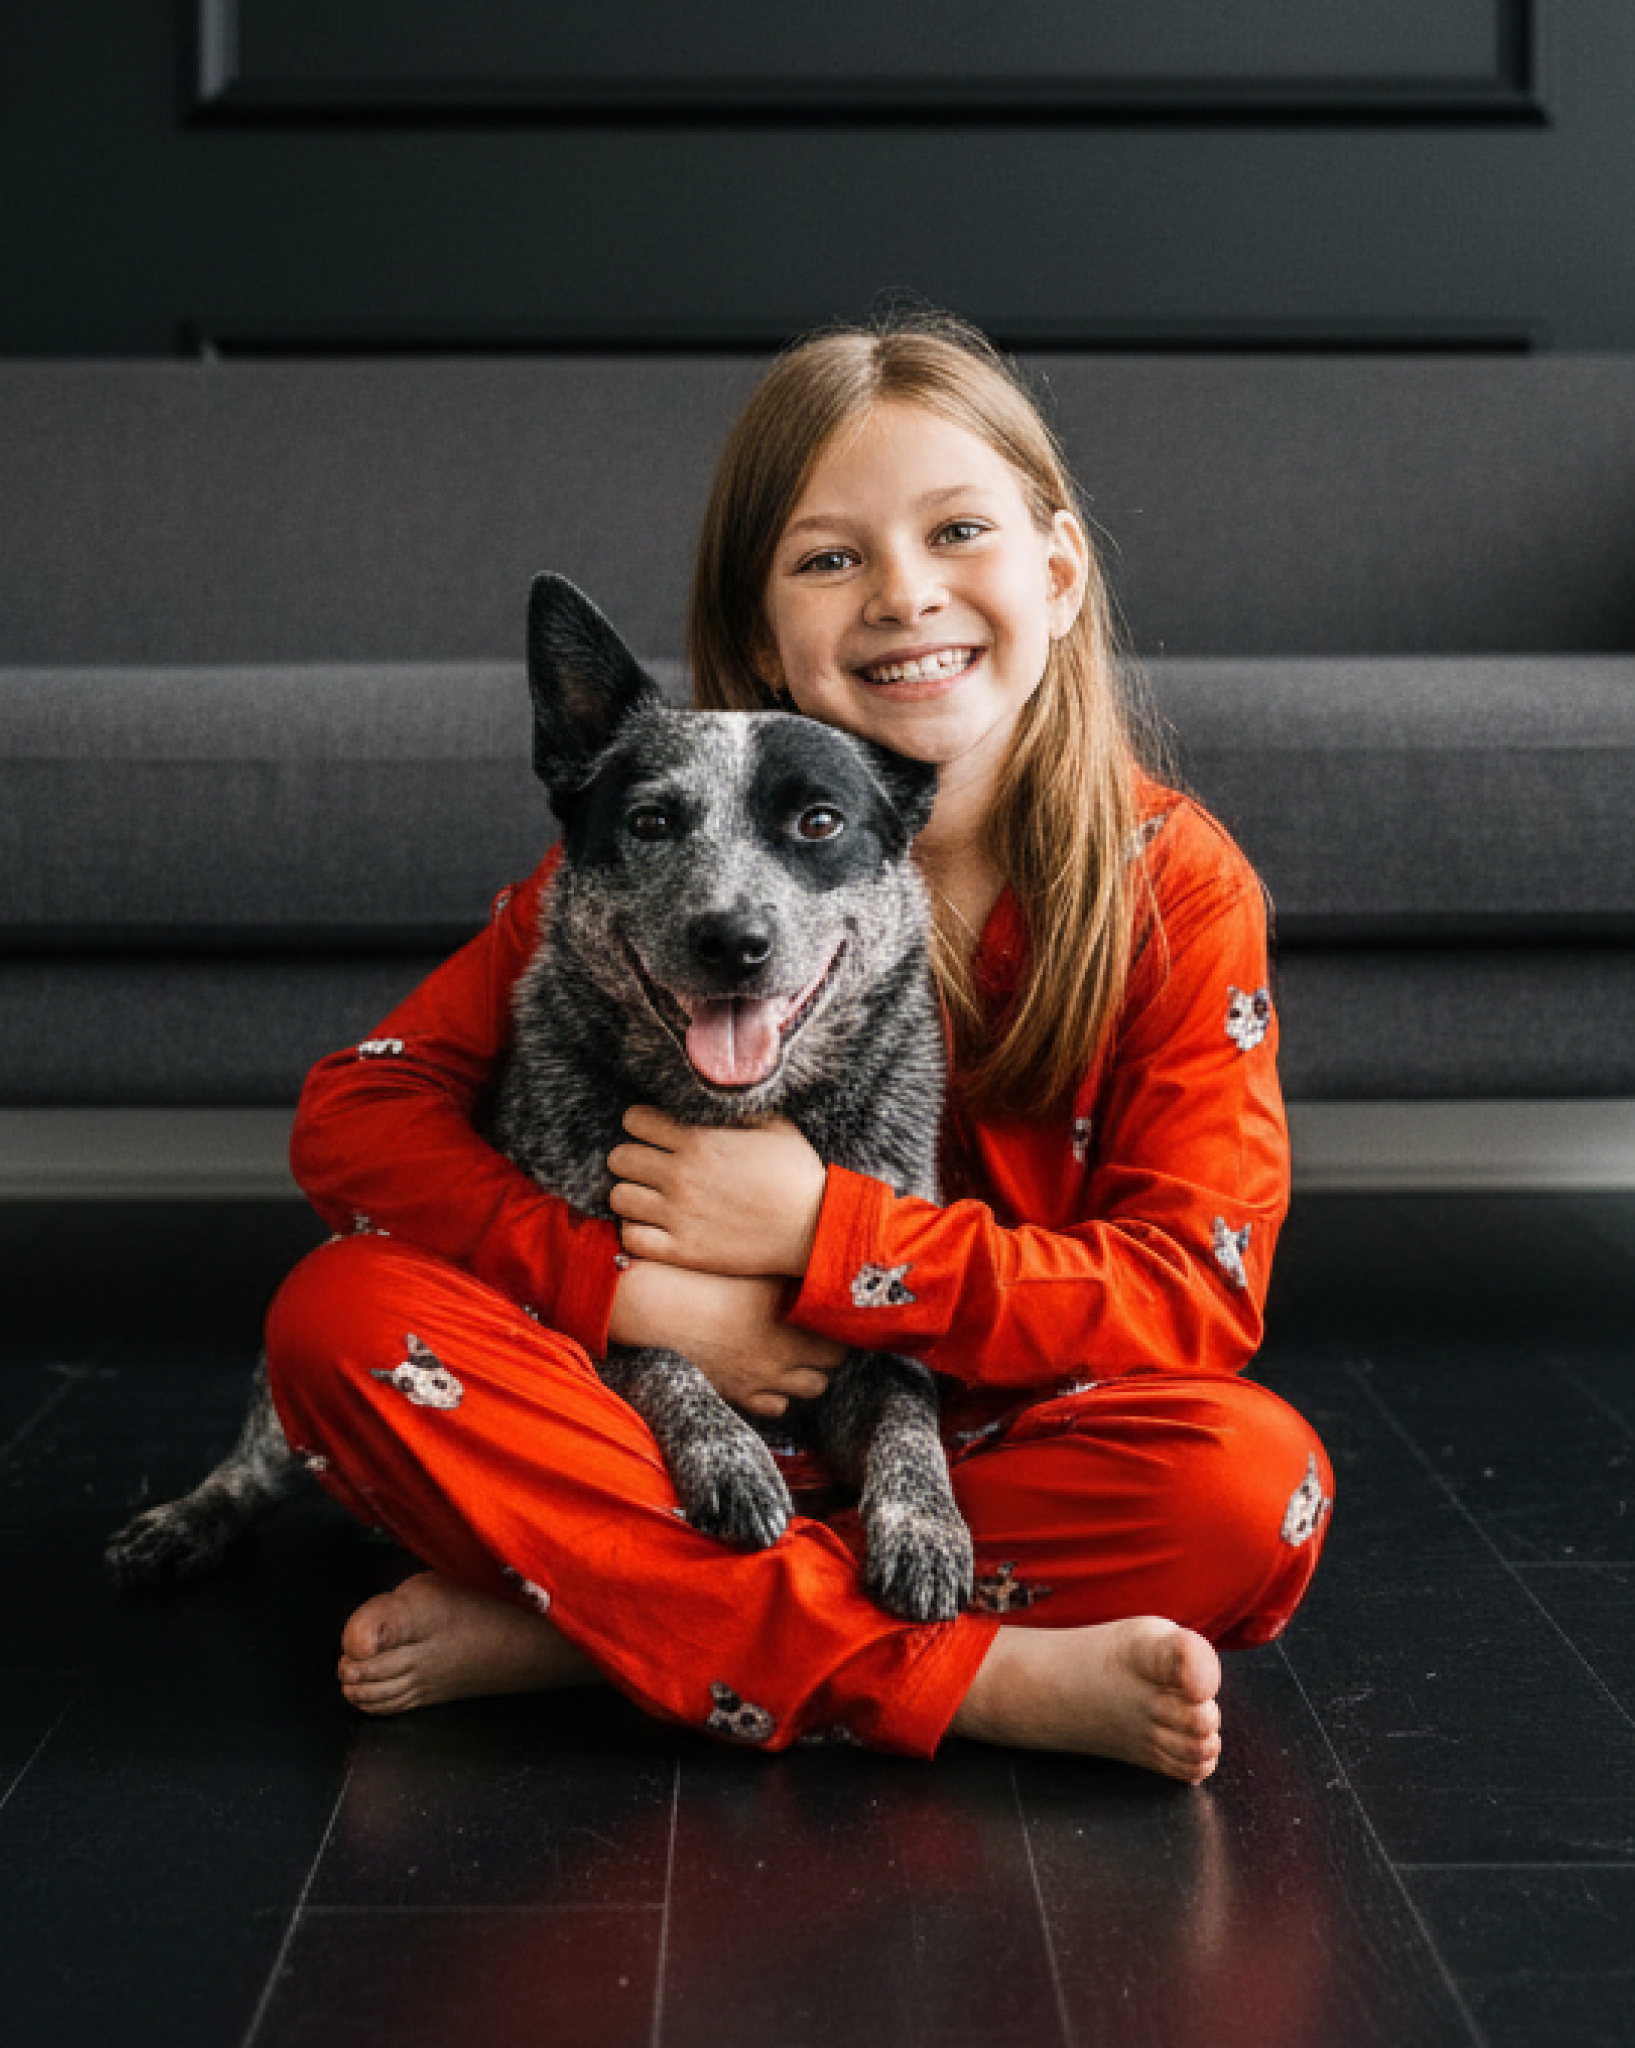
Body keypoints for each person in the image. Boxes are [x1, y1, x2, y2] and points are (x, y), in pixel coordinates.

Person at [264, 314, 1334, 1782]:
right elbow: (355, 1121)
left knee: (1248, 1487)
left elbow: (1194, 1295)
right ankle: (975, 1680)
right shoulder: (652, 875)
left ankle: (588, 1620)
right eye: (832, 558)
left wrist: (828, 1235)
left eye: (959, 531)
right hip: (645, 1421)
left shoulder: (1173, 887)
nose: (906, 596)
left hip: (991, 1455)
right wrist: (640, 1293)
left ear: (1059, 573)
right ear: (765, 630)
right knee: (341, 1322)